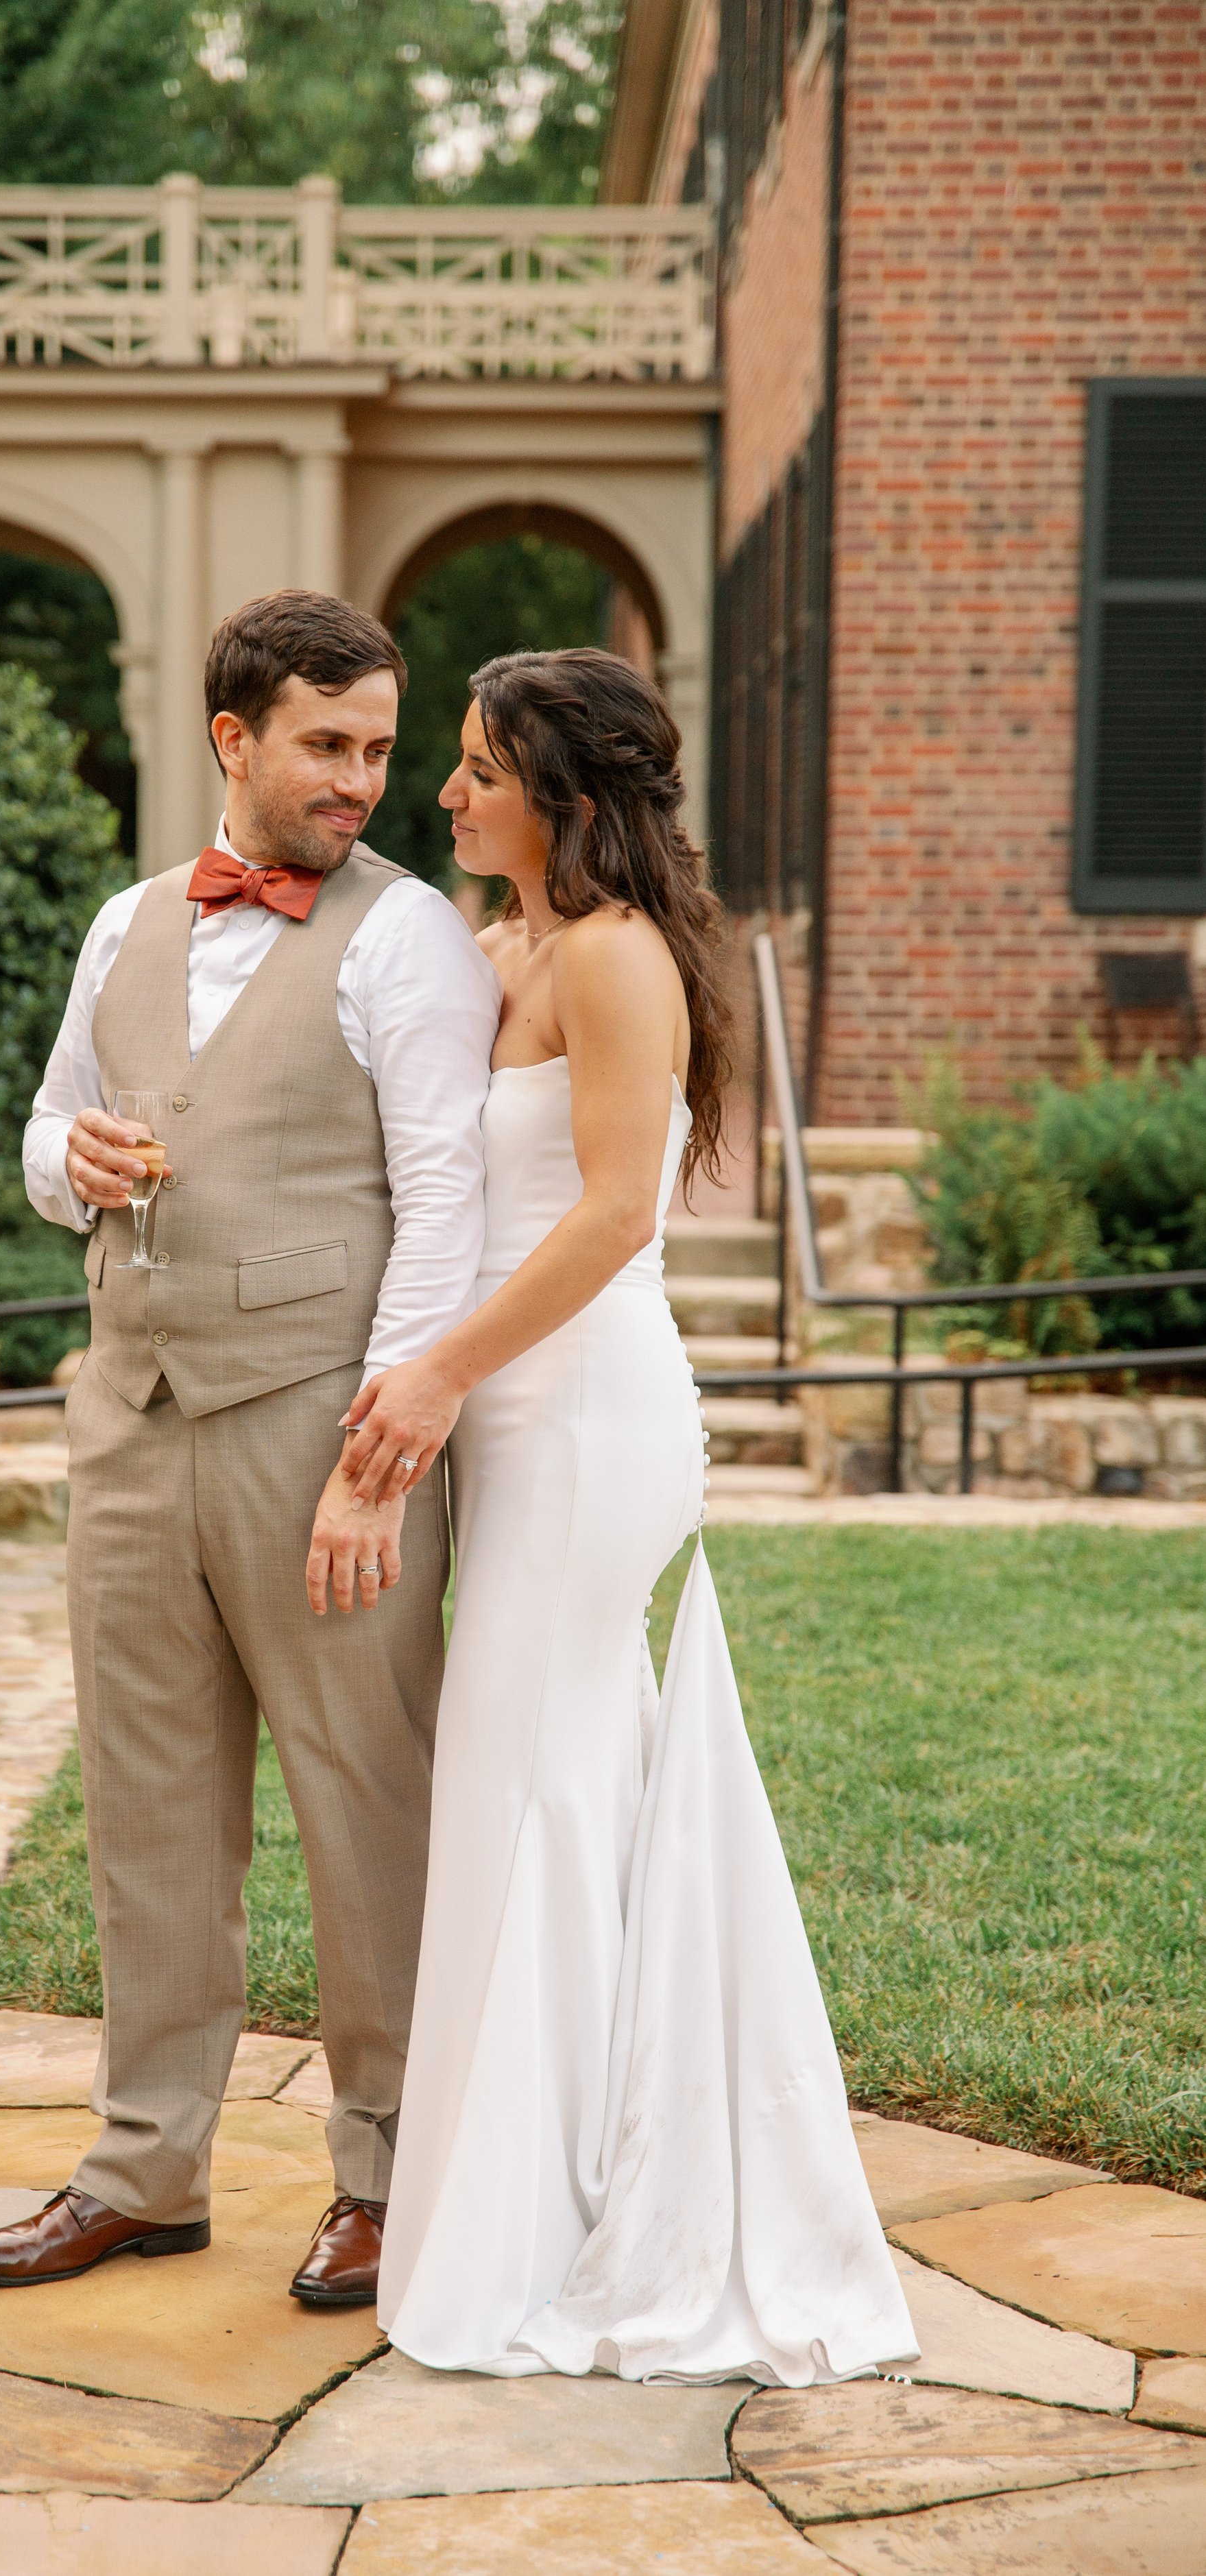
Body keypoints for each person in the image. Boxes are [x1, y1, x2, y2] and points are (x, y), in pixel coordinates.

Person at [347, 649, 917, 2382]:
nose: (443, 794)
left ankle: (565, 2222)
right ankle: (560, 2179)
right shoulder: (503, 942)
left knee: (530, 1780)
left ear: (565, 796)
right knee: (538, 1781)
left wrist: (437, 1373)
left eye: (473, 769)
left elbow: (609, 1218)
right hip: (515, 1409)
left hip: (583, 1415)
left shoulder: (608, 955)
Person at [0, 591, 501, 2309]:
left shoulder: (406, 939)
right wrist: (74, 1166)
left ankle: (391, 2172)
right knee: (149, 1811)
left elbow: (446, 1205)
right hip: (126, 1420)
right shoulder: (123, 924)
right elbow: (43, 1126)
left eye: (379, 749)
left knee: (363, 1803)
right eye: (325, 746)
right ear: (230, 739)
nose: (359, 783)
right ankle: (142, 2167)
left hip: (313, 1424)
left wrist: (379, 1452)